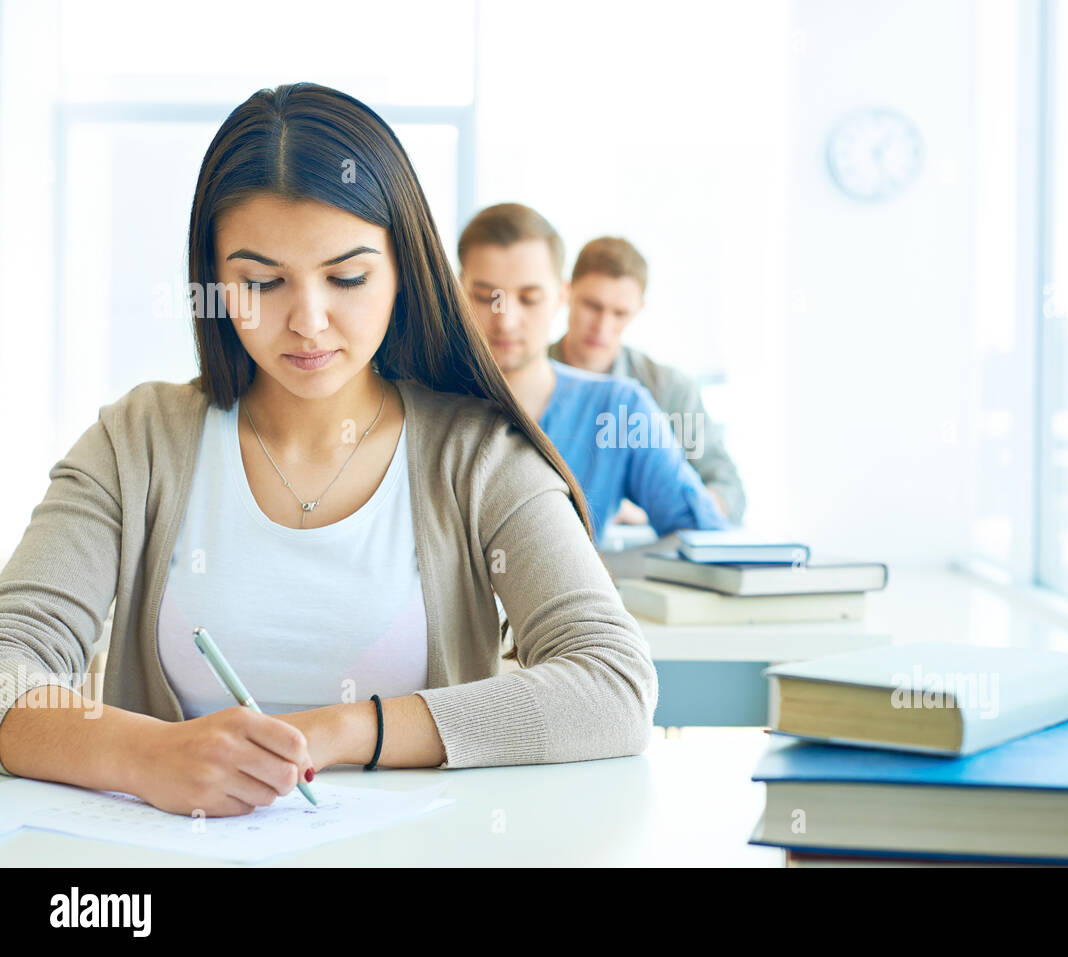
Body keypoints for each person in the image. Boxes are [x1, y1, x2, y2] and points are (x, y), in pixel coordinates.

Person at [0, 83, 656, 818]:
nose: (308, 321)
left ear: (405, 270)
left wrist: (341, 728)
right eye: (261, 281)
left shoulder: (478, 455)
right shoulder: (138, 441)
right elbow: (5, 664)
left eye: (347, 277)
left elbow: (614, 684)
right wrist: (148, 754)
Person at [456, 203, 729, 549]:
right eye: (486, 297)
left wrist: (606, 579)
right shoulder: (417, 403)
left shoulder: (622, 408)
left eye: (529, 298)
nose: (506, 319)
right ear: (457, 291)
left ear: (560, 296)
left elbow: (705, 538)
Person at [549, 237, 747, 524]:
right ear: (566, 293)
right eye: (592, 306)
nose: (603, 326)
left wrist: (650, 512)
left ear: (639, 309)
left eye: (620, 313)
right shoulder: (528, 377)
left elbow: (729, 492)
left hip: (641, 555)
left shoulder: (669, 389)